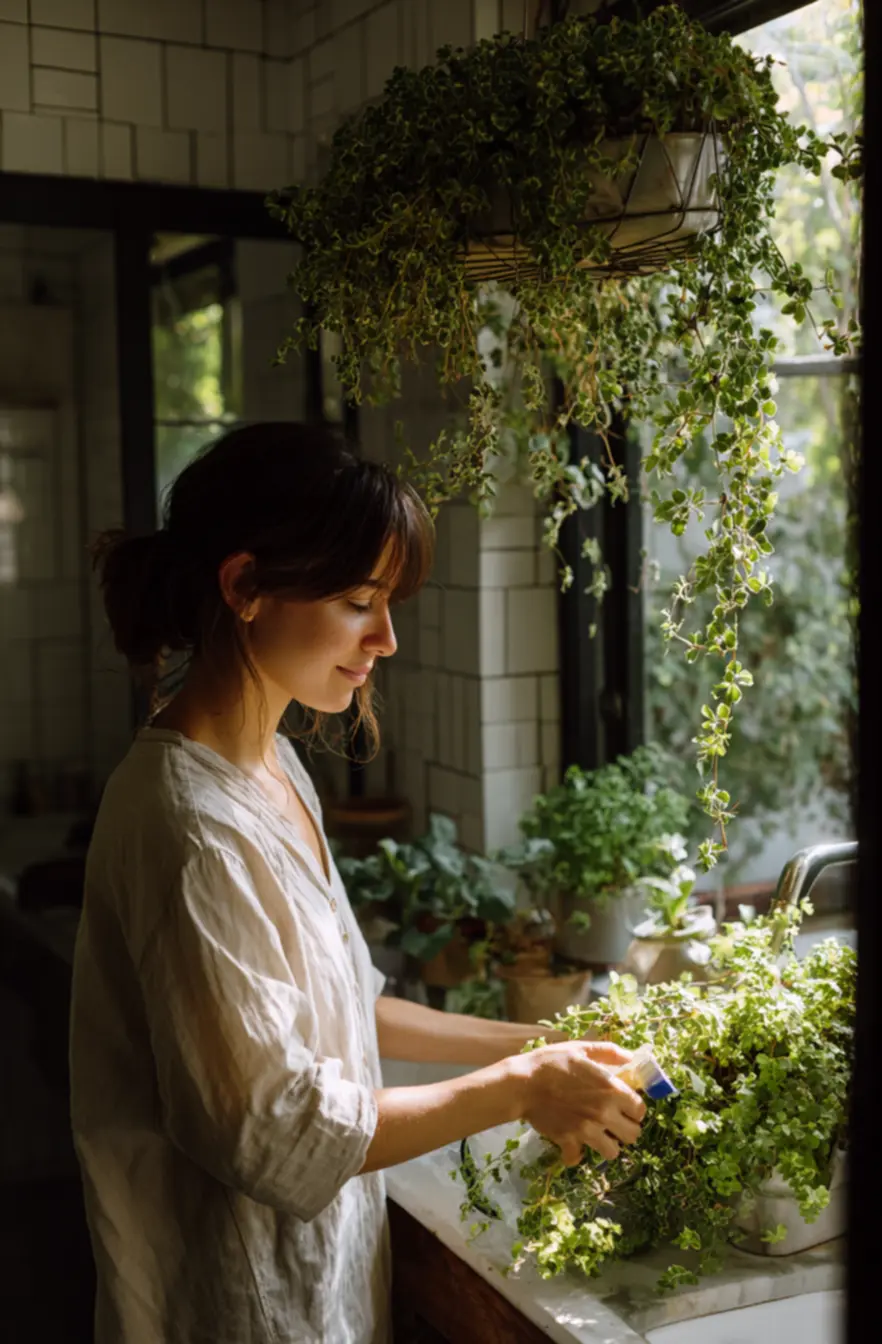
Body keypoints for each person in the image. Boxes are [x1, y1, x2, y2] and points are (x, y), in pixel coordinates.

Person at [69, 423, 645, 1344]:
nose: (386, 637)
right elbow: (274, 1127)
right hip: (236, 1303)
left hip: (320, 1283)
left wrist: (549, 1038)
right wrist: (522, 1086)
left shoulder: (273, 768)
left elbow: (349, 1006)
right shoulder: (190, 828)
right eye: (356, 600)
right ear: (245, 587)